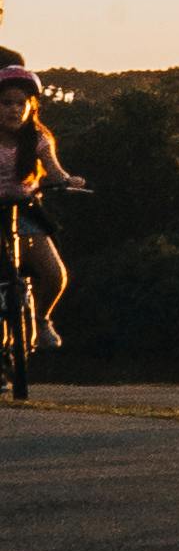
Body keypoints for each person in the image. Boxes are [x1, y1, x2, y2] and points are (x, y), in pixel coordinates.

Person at [0, 31, 67, 350]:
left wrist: (66, 179)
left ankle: (41, 321)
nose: (14, 110)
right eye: (6, 103)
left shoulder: (37, 138)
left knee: (54, 273)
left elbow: (54, 168)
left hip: (24, 210)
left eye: (20, 104)